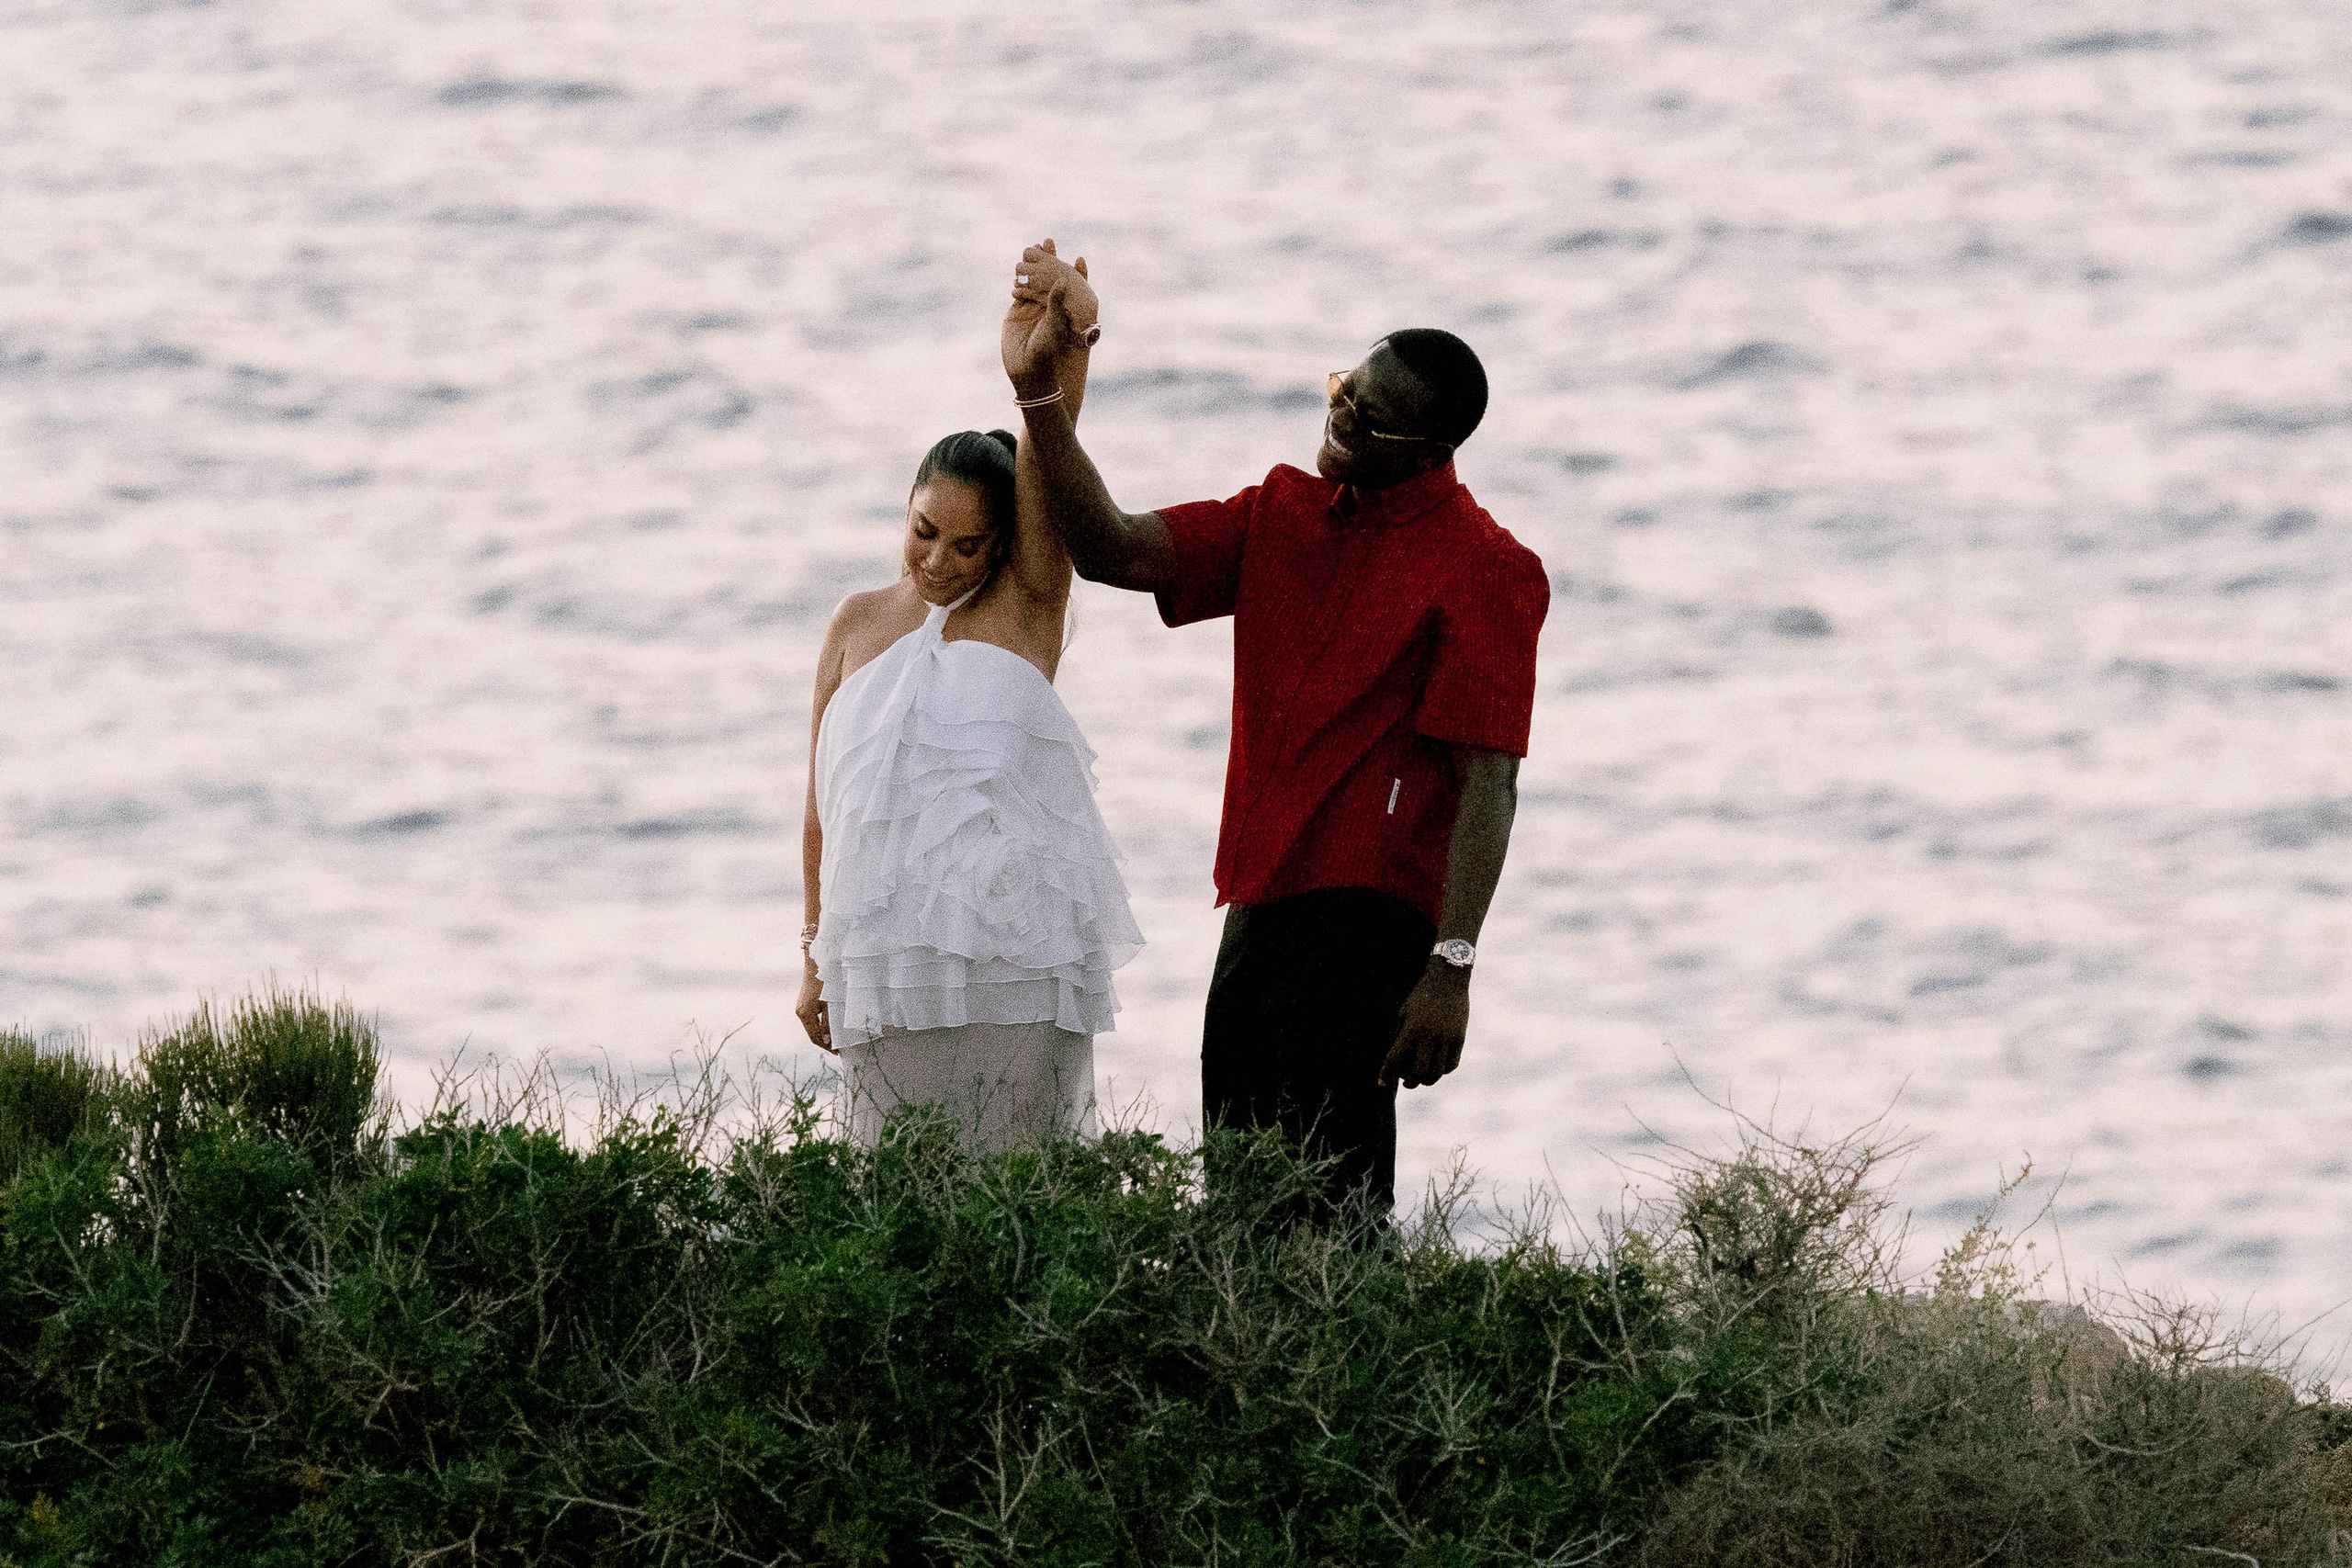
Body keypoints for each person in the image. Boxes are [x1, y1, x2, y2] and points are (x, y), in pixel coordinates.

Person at [1001, 240, 1547, 1221]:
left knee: (1330, 1201)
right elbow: (1112, 550)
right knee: (1242, 1188)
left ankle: (1338, 1369)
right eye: (1341, 392)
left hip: (1367, 921)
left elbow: (1488, 781)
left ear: (1428, 452)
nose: (1336, 421)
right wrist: (1041, 398)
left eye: (1366, 421)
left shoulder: (1486, 567)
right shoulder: (1283, 517)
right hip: (1261, 903)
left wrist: (1450, 970)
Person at [797, 259, 1141, 1151]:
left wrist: (1055, 353)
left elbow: (1048, 452)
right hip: (883, 968)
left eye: (967, 544)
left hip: (1012, 966)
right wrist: (811, 957)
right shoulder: (854, 622)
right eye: (923, 532)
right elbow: (819, 810)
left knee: (1018, 1195)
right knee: (891, 1205)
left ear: (1005, 544)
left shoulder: (1025, 606)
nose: (940, 560)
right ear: (903, 510)